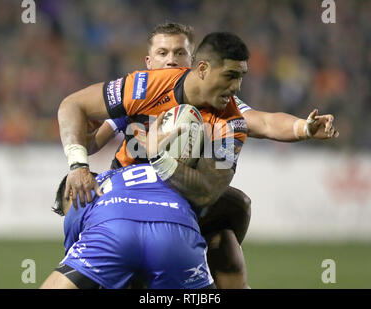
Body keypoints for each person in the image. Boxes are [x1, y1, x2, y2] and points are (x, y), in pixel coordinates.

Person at [58, 29, 338, 288]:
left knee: (235, 214)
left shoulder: (230, 118)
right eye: (163, 53)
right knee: (73, 190)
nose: (237, 86)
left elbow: (262, 125)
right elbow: (76, 111)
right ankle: (83, 261)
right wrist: (78, 163)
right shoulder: (145, 87)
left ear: (192, 59)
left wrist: (303, 128)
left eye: (179, 53)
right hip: (128, 192)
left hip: (178, 196)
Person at [40, 161, 216, 289]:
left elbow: (84, 275)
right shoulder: (167, 173)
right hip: (177, 236)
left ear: (70, 193)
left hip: (115, 231)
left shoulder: (84, 189)